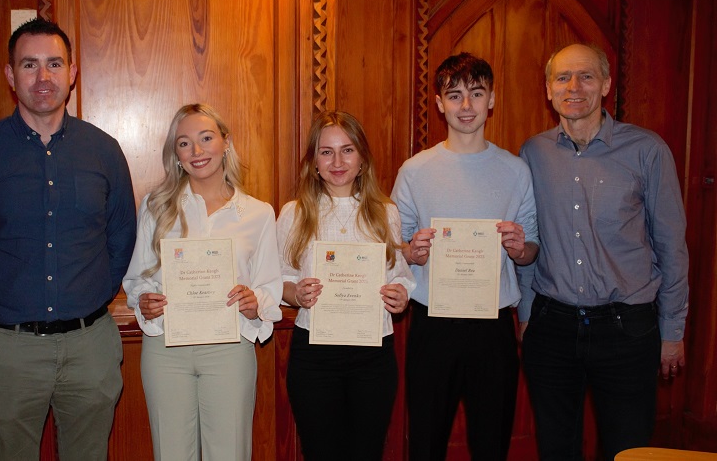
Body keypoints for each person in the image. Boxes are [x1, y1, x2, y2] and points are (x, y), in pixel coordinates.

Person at [0, 18, 136, 460]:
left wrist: (95, 295)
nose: (43, 78)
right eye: (29, 64)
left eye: (54, 64)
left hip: (90, 347)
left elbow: (121, 236)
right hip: (8, 350)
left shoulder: (104, 151)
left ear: (72, 72)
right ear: (10, 75)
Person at [519, 43, 689, 460]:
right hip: (551, 327)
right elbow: (525, 241)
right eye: (563, 77)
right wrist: (524, 316)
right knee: (556, 449)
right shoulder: (532, 153)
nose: (574, 87)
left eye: (586, 76)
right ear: (547, 89)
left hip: (627, 329)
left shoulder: (647, 151)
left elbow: (671, 246)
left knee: (627, 450)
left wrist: (673, 332)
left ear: (607, 84)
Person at [390, 52, 539, 460]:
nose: (466, 106)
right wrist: (412, 252)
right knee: (426, 442)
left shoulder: (515, 170)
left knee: (491, 444)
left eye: (476, 93)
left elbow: (531, 251)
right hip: (432, 324)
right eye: (454, 96)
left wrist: (518, 247)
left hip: (493, 328)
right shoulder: (415, 170)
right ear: (439, 104)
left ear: (491, 99)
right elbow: (394, 247)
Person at [122, 103, 282, 461]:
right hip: (166, 348)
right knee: (172, 454)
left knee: (230, 453)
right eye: (184, 143)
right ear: (175, 154)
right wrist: (144, 300)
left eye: (206, 138)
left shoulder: (258, 213)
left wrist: (256, 302)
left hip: (229, 348)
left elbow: (269, 285)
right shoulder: (155, 206)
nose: (196, 151)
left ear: (225, 142)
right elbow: (137, 279)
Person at [277, 110, 416, 460]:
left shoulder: (387, 213)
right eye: (326, 151)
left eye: (348, 150)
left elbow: (398, 273)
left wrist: (400, 295)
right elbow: (276, 279)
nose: (337, 161)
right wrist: (296, 293)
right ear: (314, 162)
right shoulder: (293, 213)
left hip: (373, 354)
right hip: (314, 356)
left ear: (363, 160)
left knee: (366, 452)